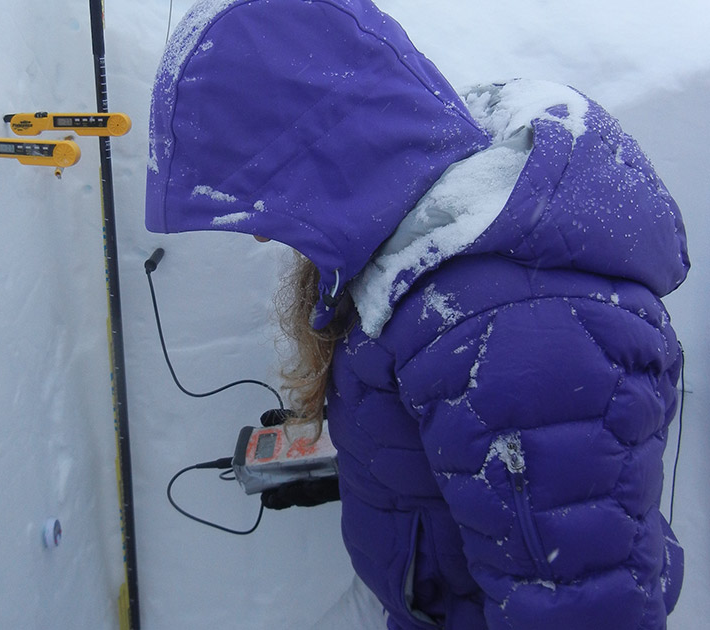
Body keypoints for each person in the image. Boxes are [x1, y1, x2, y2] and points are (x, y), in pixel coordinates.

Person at [145, 1, 689, 628]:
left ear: (330, 156)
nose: (266, 237)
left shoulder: (510, 324)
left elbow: (584, 608)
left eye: (268, 199)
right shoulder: (426, 257)